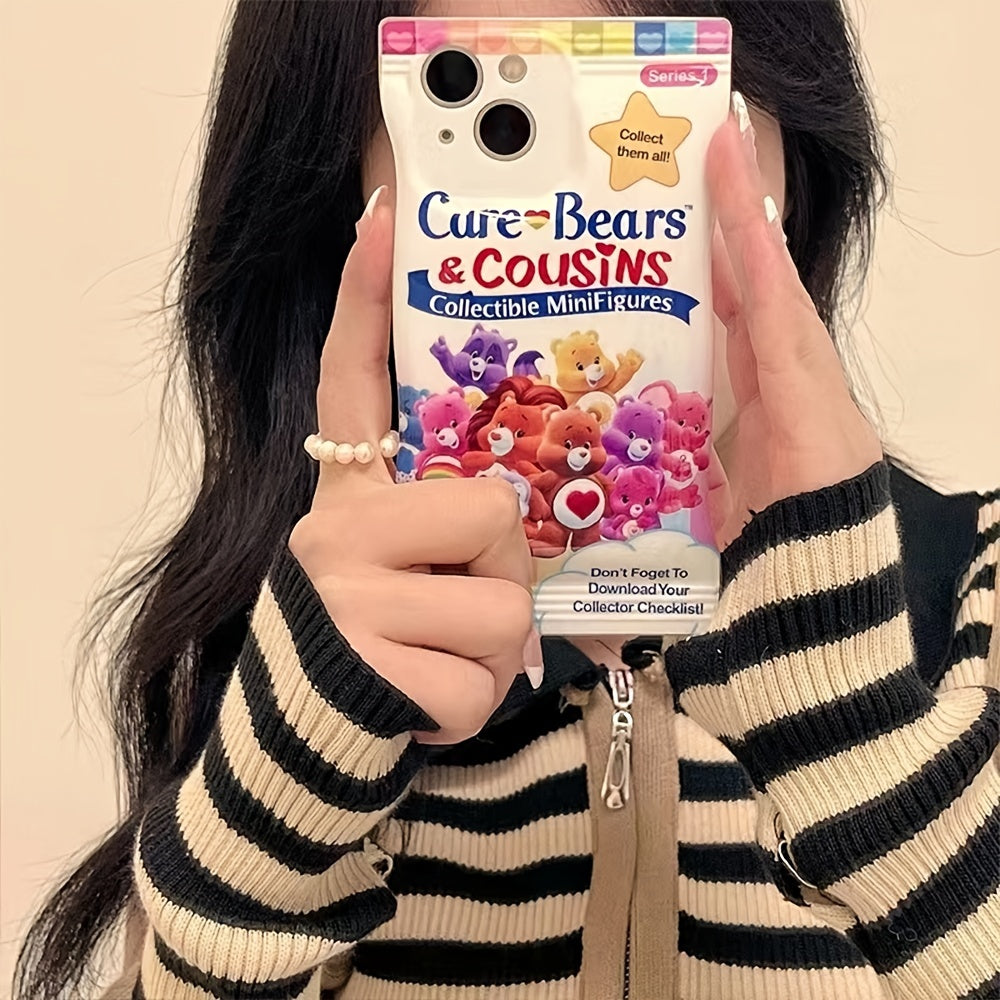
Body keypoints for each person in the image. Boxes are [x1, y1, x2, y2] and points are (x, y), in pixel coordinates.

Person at [14, 1, 999, 999]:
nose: (569, 220)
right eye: (492, 138)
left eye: (641, 96)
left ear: (785, 150)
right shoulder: (293, 663)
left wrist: (862, 740)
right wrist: (267, 833)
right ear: (346, 196)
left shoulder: (976, 596)